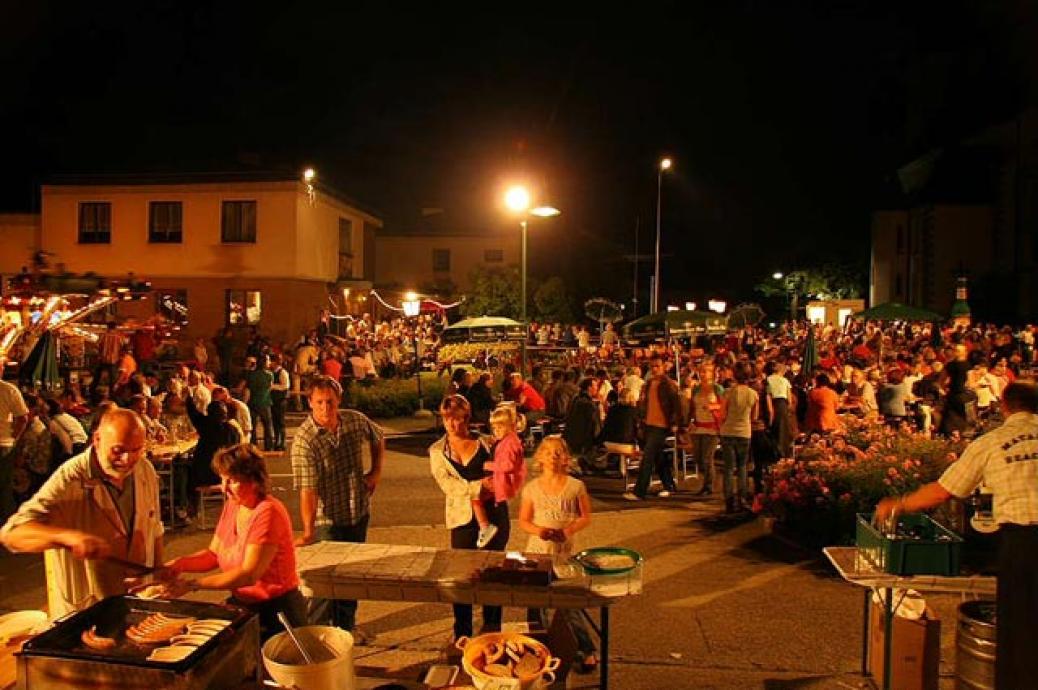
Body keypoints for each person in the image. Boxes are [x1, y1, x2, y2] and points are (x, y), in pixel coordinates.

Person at [875, 381, 1038, 689]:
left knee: (1021, 634)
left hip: (1024, 544)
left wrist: (897, 505)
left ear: (1005, 406)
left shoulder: (993, 442)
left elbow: (942, 492)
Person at [0, 409, 164, 617]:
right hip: (87, 608)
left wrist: (158, 571)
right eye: (118, 450)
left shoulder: (145, 470)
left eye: (136, 449)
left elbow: (155, 528)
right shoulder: (70, 479)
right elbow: (12, 533)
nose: (127, 459)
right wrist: (66, 537)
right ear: (97, 439)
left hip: (138, 602)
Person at [161, 444, 305, 641]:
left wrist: (192, 584)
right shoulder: (234, 505)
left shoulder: (268, 512)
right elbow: (213, 554)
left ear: (254, 481)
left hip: (276, 612)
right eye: (222, 479)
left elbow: (248, 574)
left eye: (233, 481)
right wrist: (179, 564)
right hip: (244, 605)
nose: (224, 487)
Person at [291, 375, 384, 634]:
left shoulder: (354, 420)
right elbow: (307, 490)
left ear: (338, 400)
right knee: (323, 585)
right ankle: (317, 637)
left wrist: (375, 472)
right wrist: (308, 531)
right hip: (326, 518)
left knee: (350, 579)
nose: (325, 408)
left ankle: (346, 631)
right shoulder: (304, 441)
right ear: (310, 403)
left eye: (329, 402)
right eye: (319, 402)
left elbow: (378, 437)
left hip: (357, 509)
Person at [429, 395, 508, 640]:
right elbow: (449, 486)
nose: (454, 425)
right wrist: (478, 487)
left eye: (459, 419)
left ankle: (492, 628)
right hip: (462, 520)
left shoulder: (487, 443)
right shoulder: (437, 451)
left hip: (494, 516)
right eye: (448, 420)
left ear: (467, 417)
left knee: (493, 576)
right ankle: (462, 632)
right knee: (461, 576)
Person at [517, 437, 597, 673]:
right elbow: (524, 520)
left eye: (558, 452)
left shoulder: (575, 486)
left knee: (567, 601)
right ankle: (538, 650)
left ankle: (586, 648)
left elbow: (585, 516)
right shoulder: (531, 488)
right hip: (538, 551)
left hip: (563, 552)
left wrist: (568, 531)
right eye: (548, 452)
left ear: (565, 458)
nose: (553, 456)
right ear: (540, 457)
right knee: (535, 602)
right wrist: (539, 531)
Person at [626, 355, 682, 501]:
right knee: (659, 457)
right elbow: (643, 403)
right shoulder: (649, 384)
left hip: (661, 425)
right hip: (649, 424)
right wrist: (641, 419)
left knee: (648, 458)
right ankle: (669, 485)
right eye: (652, 366)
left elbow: (676, 405)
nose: (655, 369)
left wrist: (675, 423)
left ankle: (640, 491)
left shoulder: (668, 384)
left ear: (664, 367)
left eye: (657, 366)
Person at [473, 405, 526, 548]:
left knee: (475, 497)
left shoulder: (510, 443)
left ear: (510, 426)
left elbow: (508, 465)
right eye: (494, 428)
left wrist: (487, 465)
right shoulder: (508, 440)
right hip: (500, 481)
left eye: (500, 428)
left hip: (501, 482)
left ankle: (485, 527)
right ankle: (485, 527)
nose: (496, 431)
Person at [718, 364, 759, 513]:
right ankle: (743, 498)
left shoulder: (728, 393)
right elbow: (754, 416)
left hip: (728, 431)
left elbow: (722, 414)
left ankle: (729, 501)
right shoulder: (753, 394)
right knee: (742, 467)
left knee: (729, 468)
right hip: (744, 432)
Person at [185, 397, 241, 503]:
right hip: (225, 474)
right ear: (225, 414)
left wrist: (189, 397)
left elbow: (193, 412)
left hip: (203, 475)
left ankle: (188, 504)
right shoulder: (233, 431)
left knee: (185, 468)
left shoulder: (204, 424)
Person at [690, 363, 724, 496]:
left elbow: (723, 406)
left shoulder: (717, 388)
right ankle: (709, 480)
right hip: (698, 426)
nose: (702, 374)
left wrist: (713, 407)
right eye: (701, 371)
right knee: (698, 458)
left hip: (712, 427)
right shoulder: (696, 389)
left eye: (706, 371)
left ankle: (708, 485)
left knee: (707, 457)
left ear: (712, 373)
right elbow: (692, 406)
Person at [0, 375, 30, 522]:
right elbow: (23, 418)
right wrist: (14, 438)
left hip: (4, 444)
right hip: (4, 444)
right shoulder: (9, 390)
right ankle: (7, 527)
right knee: (4, 488)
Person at [562, 379, 602, 474]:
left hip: (570, 436)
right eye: (595, 386)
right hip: (583, 440)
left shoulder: (575, 399)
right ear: (589, 388)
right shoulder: (590, 405)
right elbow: (595, 427)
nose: (597, 388)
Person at [765, 363, 793, 458]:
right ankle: (782, 453)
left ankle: (773, 453)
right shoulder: (785, 381)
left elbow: (767, 394)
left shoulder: (768, 379)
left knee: (773, 430)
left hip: (772, 403)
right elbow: (789, 399)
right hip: (782, 405)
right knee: (783, 431)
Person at [268, 354, 291, 451]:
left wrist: (272, 386)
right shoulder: (271, 372)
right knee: (274, 422)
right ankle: (277, 440)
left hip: (280, 400)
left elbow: (285, 386)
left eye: (270, 361)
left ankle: (282, 442)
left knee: (280, 422)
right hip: (273, 400)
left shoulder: (283, 372)